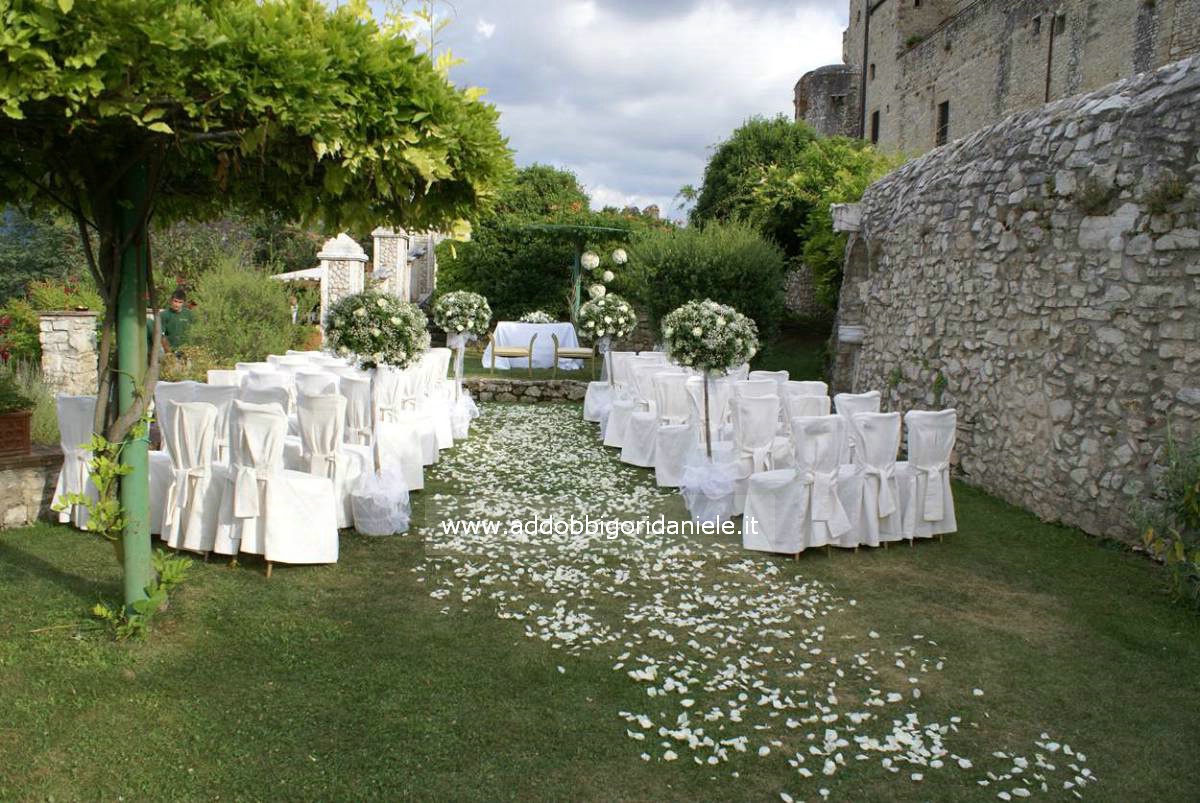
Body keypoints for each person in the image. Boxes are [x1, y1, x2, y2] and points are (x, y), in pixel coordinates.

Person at [158, 289, 194, 355]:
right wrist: (168, 353)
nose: (177, 304)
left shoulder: (189, 314)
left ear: (184, 303)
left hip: (187, 350)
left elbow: (195, 332)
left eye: (180, 302)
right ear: (171, 300)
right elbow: (161, 336)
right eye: (175, 301)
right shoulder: (164, 315)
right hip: (170, 350)